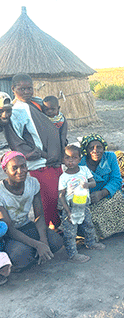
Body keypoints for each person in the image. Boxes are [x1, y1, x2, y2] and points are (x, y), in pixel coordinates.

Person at [5, 74, 63, 228]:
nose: (26, 91)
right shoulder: (17, 110)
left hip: (54, 161)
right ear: (13, 89)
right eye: (21, 88)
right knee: (48, 200)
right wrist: (38, 154)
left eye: (29, 88)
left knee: (59, 197)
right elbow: (17, 141)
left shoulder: (36, 103)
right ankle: (50, 233)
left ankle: (59, 230)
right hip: (41, 164)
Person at [0, 151, 63, 272]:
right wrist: (37, 244)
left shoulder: (32, 183)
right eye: (14, 168)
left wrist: (43, 241)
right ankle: (24, 256)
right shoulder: (0, 191)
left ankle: (34, 253)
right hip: (8, 233)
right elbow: (9, 229)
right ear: (5, 170)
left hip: (26, 226)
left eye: (23, 166)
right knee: (19, 255)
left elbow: (39, 216)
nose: (20, 171)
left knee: (56, 242)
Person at [58, 145, 105, 263]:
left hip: (84, 205)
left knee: (88, 225)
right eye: (67, 158)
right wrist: (68, 212)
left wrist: (87, 185)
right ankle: (72, 255)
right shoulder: (63, 177)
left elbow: (93, 183)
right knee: (70, 232)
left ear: (79, 159)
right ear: (63, 160)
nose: (70, 161)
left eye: (74, 158)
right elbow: (61, 196)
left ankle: (91, 243)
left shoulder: (84, 170)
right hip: (71, 207)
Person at [79, 134, 124, 239]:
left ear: (104, 148)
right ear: (86, 150)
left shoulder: (110, 157)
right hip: (90, 198)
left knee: (117, 198)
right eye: (91, 148)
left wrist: (102, 193)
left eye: (99, 147)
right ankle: (97, 235)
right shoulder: (80, 163)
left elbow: (116, 179)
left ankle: (116, 230)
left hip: (107, 193)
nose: (96, 150)